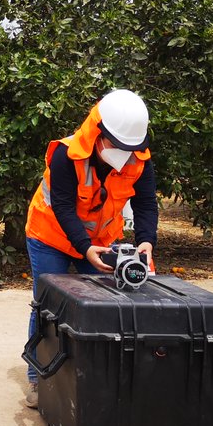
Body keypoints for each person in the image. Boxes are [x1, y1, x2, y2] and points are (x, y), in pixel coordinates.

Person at [21, 89, 158, 407]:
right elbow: (65, 206)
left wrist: (146, 241)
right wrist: (84, 248)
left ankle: (95, 375)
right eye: (118, 145)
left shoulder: (138, 161)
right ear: (99, 132)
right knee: (47, 303)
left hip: (100, 241)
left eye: (131, 147)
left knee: (104, 302)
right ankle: (36, 379)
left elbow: (146, 203)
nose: (125, 153)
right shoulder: (66, 155)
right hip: (51, 235)